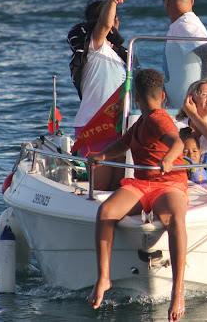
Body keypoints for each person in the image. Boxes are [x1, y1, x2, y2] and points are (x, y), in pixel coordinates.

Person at [87, 69, 188, 322]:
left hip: (168, 184)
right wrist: (102, 156)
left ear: (136, 98)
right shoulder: (142, 122)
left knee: (175, 218)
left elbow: (178, 143)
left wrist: (168, 158)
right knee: (106, 211)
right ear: (163, 96)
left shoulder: (158, 119)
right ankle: (104, 278)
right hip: (142, 184)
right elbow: (123, 144)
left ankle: (177, 292)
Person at [70, 0, 128, 190]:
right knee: (100, 189)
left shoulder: (118, 54)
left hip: (118, 126)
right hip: (94, 126)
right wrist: (113, 0)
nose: (116, 22)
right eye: (114, 18)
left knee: (118, 185)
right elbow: (104, 25)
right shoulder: (94, 48)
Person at [163, 0, 207, 108]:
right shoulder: (184, 23)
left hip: (194, 111)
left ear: (167, 1)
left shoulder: (184, 25)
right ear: (192, 1)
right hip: (185, 110)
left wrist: (202, 95)